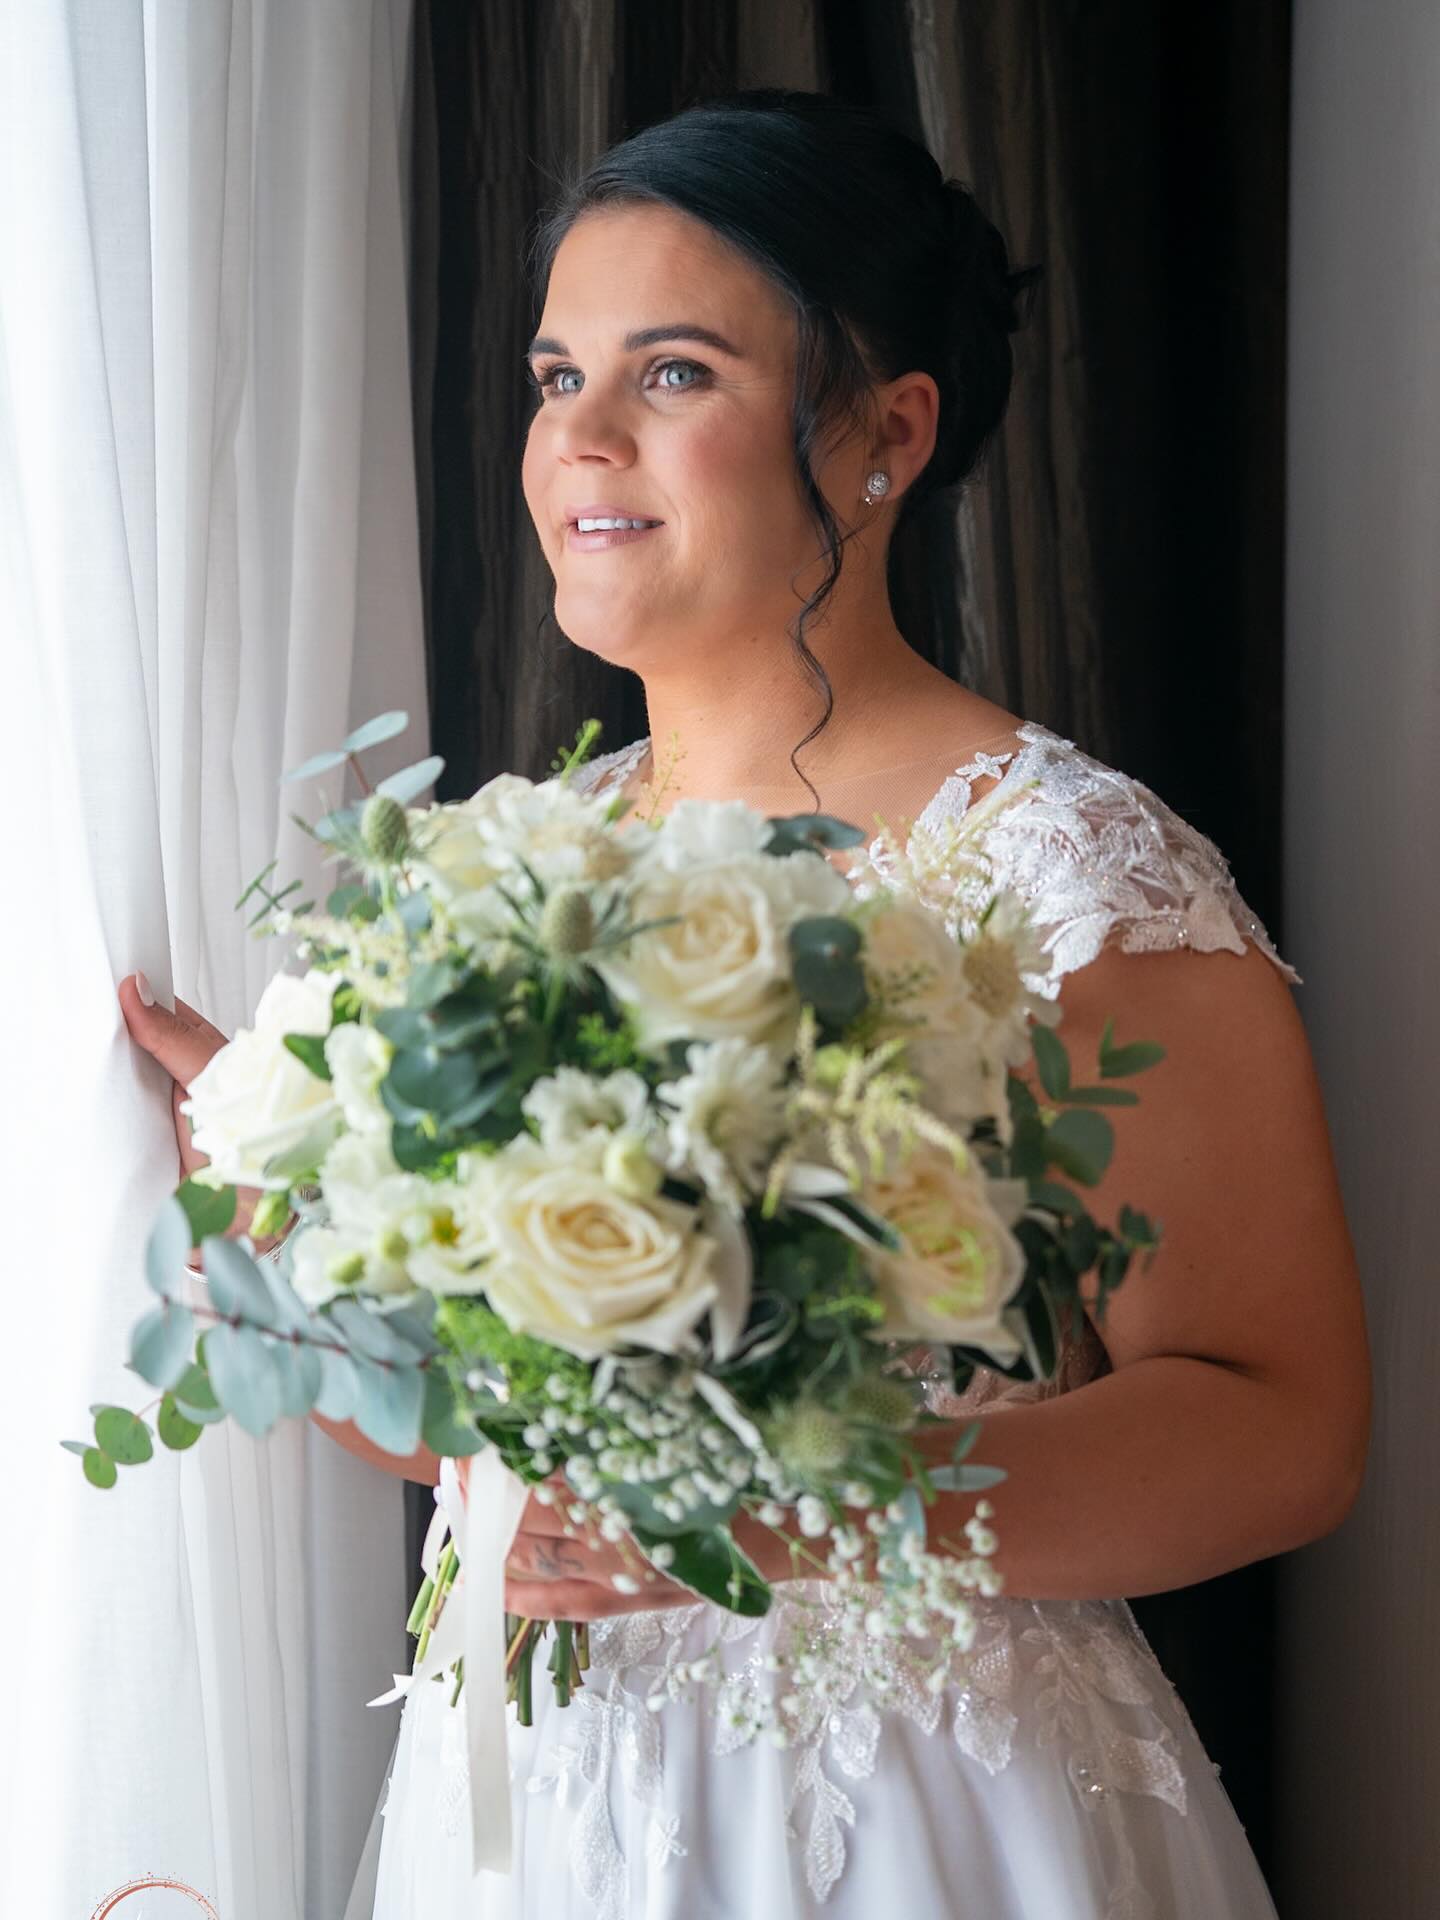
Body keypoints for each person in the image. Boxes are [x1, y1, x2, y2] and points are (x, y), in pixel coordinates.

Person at [121, 90, 1370, 1919]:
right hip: (532, 1815)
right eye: (558, 378)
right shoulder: (502, 858)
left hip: (911, 1822)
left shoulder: (1070, 876)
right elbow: (475, 1434)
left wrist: (814, 1509)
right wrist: (286, 1199)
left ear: (883, 433)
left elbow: (1282, 1425)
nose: (583, 440)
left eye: (676, 374)